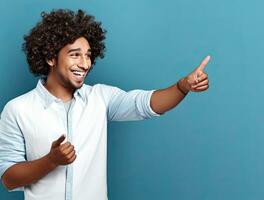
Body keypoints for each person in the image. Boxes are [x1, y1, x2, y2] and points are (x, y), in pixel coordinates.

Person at [0, 9, 210, 200]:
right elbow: (9, 178)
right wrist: (51, 160)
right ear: (50, 58)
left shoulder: (100, 98)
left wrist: (182, 87)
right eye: (75, 55)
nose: (85, 64)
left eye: (88, 55)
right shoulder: (17, 109)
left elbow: (145, 104)